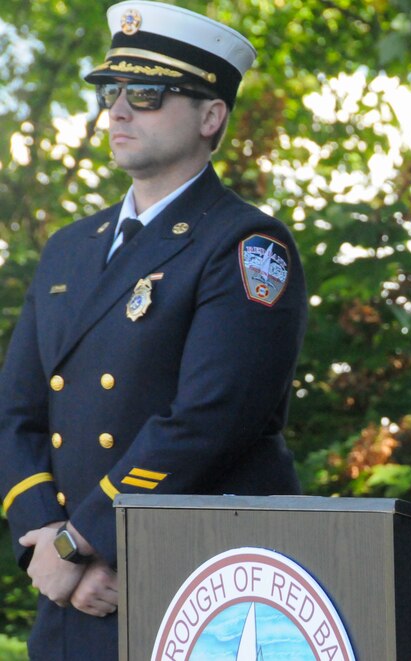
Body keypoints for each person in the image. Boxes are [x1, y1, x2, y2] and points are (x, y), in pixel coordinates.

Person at [0, 2, 307, 658]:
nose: (117, 111)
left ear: (210, 116)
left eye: (145, 94)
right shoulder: (69, 248)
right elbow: (15, 415)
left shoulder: (246, 244)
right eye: (110, 92)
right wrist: (46, 542)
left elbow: (208, 419)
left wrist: (80, 540)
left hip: (197, 583)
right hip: (73, 594)